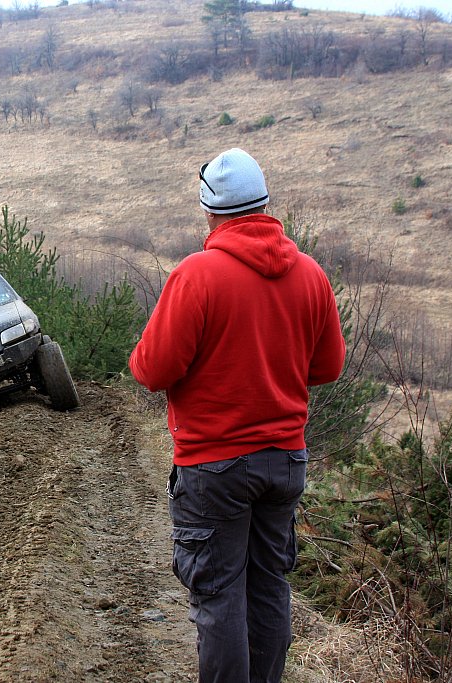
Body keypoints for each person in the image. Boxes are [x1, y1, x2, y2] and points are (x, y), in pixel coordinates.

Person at [129, 148, 346, 683]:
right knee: (269, 584)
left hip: (214, 464)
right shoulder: (311, 275)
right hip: (285, 461)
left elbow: (153, 370)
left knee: (219, 591)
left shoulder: (198, 275)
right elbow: (329, 365)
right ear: (265, 205)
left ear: (210, 212)